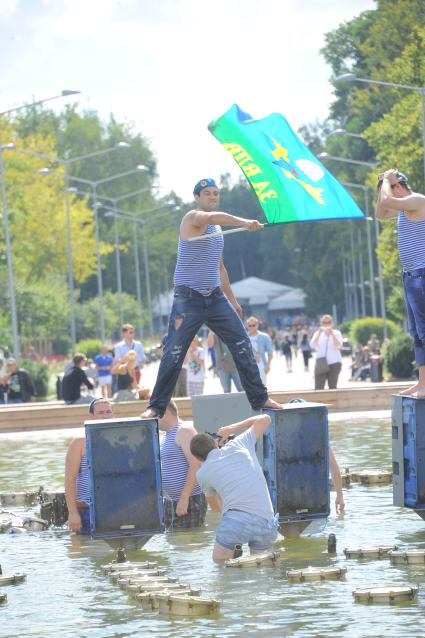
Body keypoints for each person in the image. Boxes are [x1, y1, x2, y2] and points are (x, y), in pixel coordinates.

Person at [141, 178, 281, 418]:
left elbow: (221, 269)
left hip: (215, 298)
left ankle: (260, 397)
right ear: (197, 197)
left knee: (242, 343)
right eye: (207, 193)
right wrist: (244, 222)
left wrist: (234, 301)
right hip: (188, 299)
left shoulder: (217, 231)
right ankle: (156, 407)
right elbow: (211, 218)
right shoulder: (193, 218)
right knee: (174, 351)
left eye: (216, 193)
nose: (213, 197)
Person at [190, 414, 278, 563]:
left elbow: (216, 507)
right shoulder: (240, 443)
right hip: (267, 521)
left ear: (197, 458)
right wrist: (232, 428)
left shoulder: (202, 473)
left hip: (236, 521)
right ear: (216, 443)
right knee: (262, 569)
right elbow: (266, 419)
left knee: (220, 562)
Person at [376, 169, 425, 396]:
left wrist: (387, 180)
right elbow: (380, 212)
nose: (389, 190)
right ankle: (422, 382)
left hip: (422, 274)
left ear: (400, 185)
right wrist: (382, 184)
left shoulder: (417, 201)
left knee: (424, 330)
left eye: (392, 185)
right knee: (416, 332)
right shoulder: (402, 210)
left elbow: (387, 201)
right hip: (410, 276)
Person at [65, 398, 114, 534]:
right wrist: (72, 513)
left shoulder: (120, 440)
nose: (105, 415)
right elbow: (70, 480)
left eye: (108, 411)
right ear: (91, 417)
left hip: (115, 510)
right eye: (100, 412)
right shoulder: (79, 443)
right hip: (87, 511)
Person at [158, 400, 207, 529]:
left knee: (186, 544)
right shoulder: (166, 435)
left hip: (189, 500)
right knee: (176, 544)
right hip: (172, 501)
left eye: (154, 414)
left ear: (164, 412)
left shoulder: (184, 430)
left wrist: (184, 498)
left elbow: (196, 464)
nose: (152, 419)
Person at [310, 315, 343, 390]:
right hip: (321, 362)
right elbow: (312, 345)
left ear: (332, 323)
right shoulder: (317, 333)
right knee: (318, 387)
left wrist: (332, 334)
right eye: (324, 322)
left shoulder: (337, 333)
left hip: (334, 362)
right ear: (321, 323)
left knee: (332, 386)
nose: (327, 324)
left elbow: (338, 346)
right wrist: (319, 333)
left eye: (329, 322)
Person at [246, 316, 274, 384]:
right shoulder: (244, 338)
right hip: (248, 368)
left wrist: (268, 365)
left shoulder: (264, 337)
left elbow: (270, 352)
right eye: (249, 325)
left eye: (253, 325)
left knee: (262, 387)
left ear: (257, 325)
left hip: (261, 366)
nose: (251, 327)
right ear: (247, 326)